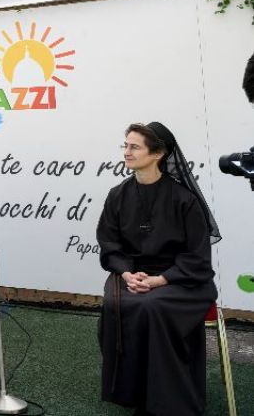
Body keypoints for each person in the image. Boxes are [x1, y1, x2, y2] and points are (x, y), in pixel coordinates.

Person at [96, 122, 220, 416]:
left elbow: (197, 258)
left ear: (158, 154)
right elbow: (109, 244)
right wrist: (127, 273)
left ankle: (165, 400)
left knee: (151, 307)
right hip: (132, 273)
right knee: (116, 302)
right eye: (125, 145)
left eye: (134, 147)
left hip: (183, 279)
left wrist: (158, 280)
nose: (126, 152)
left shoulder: (185, 200)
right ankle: (133, 394)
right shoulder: (117, 195)